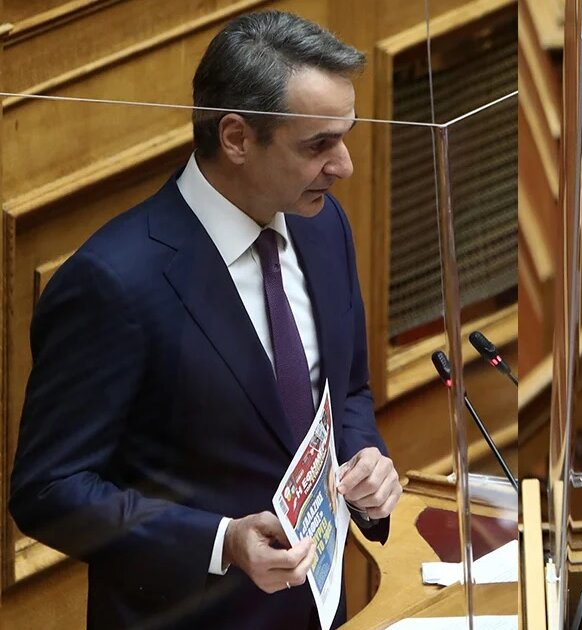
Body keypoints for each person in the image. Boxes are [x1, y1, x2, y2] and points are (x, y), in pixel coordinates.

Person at [8, 11, 402, 629]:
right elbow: (49, 490)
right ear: (237, 138)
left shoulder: (323, 226)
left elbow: (347, 390)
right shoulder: (113, 282)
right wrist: (220, 542)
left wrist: (366, 464)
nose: (345, 165)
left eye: (345, 137)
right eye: (318, 145)